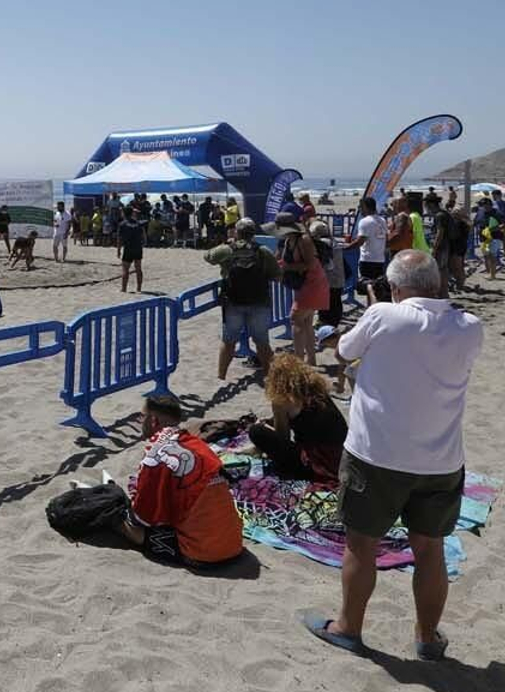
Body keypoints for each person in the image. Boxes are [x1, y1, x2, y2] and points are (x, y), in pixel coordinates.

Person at [306, 250, 483, 659]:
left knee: (361, 544)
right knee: (430, 548)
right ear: (436, 283)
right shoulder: (470, 327)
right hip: (440, 458)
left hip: (377, 454)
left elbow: (344, 351)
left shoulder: (384, 315)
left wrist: (377, 312)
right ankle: (427, 636)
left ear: (395, 287)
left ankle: (348, 627)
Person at [110, 393, 244, 566]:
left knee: (129, 527)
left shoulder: (156, 453)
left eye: (141, 417)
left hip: (204, 554)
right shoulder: (197, 444)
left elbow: (141, 517)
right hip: (234, 544)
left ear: (153, 421)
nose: (139, 422)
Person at [251, 354, 348, 482]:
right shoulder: (317, 389)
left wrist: (267, 426)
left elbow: (283, 437)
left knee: (256, 431)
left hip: (318, 465)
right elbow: (307, 419)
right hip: (343, 457)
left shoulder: (282, 401)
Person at [204, 218, 280, 379]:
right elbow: (277, 275)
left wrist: (226, 243)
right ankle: (269, 376)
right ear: (253, 233)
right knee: (262, 342)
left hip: (233, 302)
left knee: (229, 341)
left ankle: (221, 376)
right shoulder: (263, 251)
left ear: (237, 232)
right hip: (259, 301)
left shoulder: (228, 250)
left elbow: (208, 256)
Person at [275, 213, 325, 364]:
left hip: (312, 283)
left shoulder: (304, 239)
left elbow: (310, 264)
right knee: (306, 322)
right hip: (305, 284)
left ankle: (299, 362)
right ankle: (311, 359)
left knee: (295, 319)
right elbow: (280, 258)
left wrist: (286, 267)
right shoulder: (289, 240)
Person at [345, 197, 388, 299]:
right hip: (380, 259)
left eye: (361, 207)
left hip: (368, 260)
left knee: (369, 288)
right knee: (377, 288)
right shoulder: (382, 220)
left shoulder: (365, 221)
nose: (360, 210)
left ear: (366, 207)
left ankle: (370, 309)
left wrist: (346, 248)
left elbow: (360, 241)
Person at [310, 221, 345, 326]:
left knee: (326, 309)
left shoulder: (322, 243)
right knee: (336, 304)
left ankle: (326, 329)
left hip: (328, 280)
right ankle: (333, 327)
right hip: (338, 279)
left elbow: (324, 263)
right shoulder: (334, 242)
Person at [117, 206, 145, 293]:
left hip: (128, 248)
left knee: (125, 269)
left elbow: (119, 239)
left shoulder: (122, 224)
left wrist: (118, 250)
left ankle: (124, 288)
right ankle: (139, 288)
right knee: (138, 268)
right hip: (138, 247)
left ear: (124, 214)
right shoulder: (138, 223)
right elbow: (143, 236)